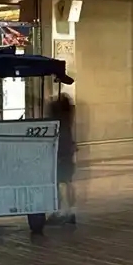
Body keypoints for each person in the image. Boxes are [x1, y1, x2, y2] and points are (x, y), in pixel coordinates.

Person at [52, 93, 78, 224]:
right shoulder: (68, 116)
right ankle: (71, 210)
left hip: (60, 149)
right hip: (68, 148)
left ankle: (59, 210)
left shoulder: (57, 119)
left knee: (56, 181)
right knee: (68, 181)